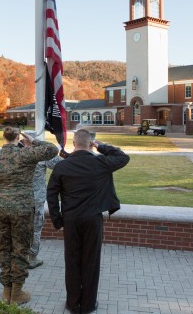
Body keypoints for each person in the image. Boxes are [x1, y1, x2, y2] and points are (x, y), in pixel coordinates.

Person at [47, 129, 130, 314]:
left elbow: (51, 195)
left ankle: (73, 303)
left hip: (71, 220)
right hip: (93, 219)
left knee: (72, 261)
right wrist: (101, 146)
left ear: (74, 144)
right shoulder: (100, 162)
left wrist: (57, 220)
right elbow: (122, 157)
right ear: (89, 143)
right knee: (91, 262)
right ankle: (88, 305)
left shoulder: (62, 166)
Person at [0, 127, 58, 304]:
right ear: (18, 137)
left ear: (4, 137)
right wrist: (33, 140)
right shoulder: (26, 155)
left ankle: (7, 291)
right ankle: (16, 292)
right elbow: (52, 149)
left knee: (4, 248)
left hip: (0, 209)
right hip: (22, 209)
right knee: (21, 248)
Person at [22, 131, 63, 269]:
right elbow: (60, 164)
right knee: (35, 228)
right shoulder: (42, 155)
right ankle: (32, 257)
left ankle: (20, 257)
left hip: (19, 198)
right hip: (36, 198)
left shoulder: (17, 154)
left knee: (19, 227)